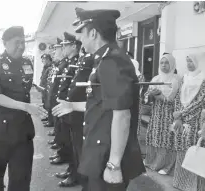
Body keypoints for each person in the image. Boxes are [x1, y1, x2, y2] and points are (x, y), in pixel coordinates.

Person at [70, 8, 146, 190]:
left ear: (94, 33)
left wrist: (114, 164)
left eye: (82, 32)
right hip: (99, 151)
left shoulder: (112, 60)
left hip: (107, 156)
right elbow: (102, 105)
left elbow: (122, 115)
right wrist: (71, 105)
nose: (80, 38)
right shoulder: (104, 59)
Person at [0, 26, 47, 191]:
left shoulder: (27, 62)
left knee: (22, 181)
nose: (21, 46)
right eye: (17, 42)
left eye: (23, 42)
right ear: (5, 43)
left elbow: (23, 88)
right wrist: (26, 106)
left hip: (22, 132)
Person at [52, 52, 95, 187]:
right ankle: (73, 171)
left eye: (65, 45)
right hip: (73, 109)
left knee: (80, 149)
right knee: (73, 146)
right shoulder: (85, 58)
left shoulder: (94, 59)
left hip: (82, 110)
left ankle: (77, 176)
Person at [172, 52, 205, 191]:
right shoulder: (185, 77)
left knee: (192, 151)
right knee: (180, 150)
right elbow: (178, 97)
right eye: (187, 61)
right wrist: (178, 117)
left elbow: (200, 101)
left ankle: (191, 186)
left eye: (191, 61)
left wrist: (182, 113)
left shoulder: (203, 79)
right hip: (181, 120)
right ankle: (180, 182)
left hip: (195, 121)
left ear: (198, 62)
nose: (189, 64)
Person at [144, 54, 181, 175]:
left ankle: (165, 165)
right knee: (154, 136)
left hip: (168, 114)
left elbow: (175, 99)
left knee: (165, 138)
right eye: (162, 63)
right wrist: (151, 95)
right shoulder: (156, 79)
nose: (164, 65)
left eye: (167, 63)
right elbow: (146, 96)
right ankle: (152, 161)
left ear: (172, 65)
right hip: (156, 113)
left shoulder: (175, 80)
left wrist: (161, 97)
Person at [39, 53, 53, 122]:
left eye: (45, 59)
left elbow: (49, 79)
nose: (43, 61)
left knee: (48, 104)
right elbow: (43, 77)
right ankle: (47, 117)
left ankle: (50, 120)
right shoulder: (45, 67)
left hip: (47, 89)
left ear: (48, 59)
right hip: (43, 88)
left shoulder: (51, 67)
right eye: (42, 59)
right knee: (44, 103)